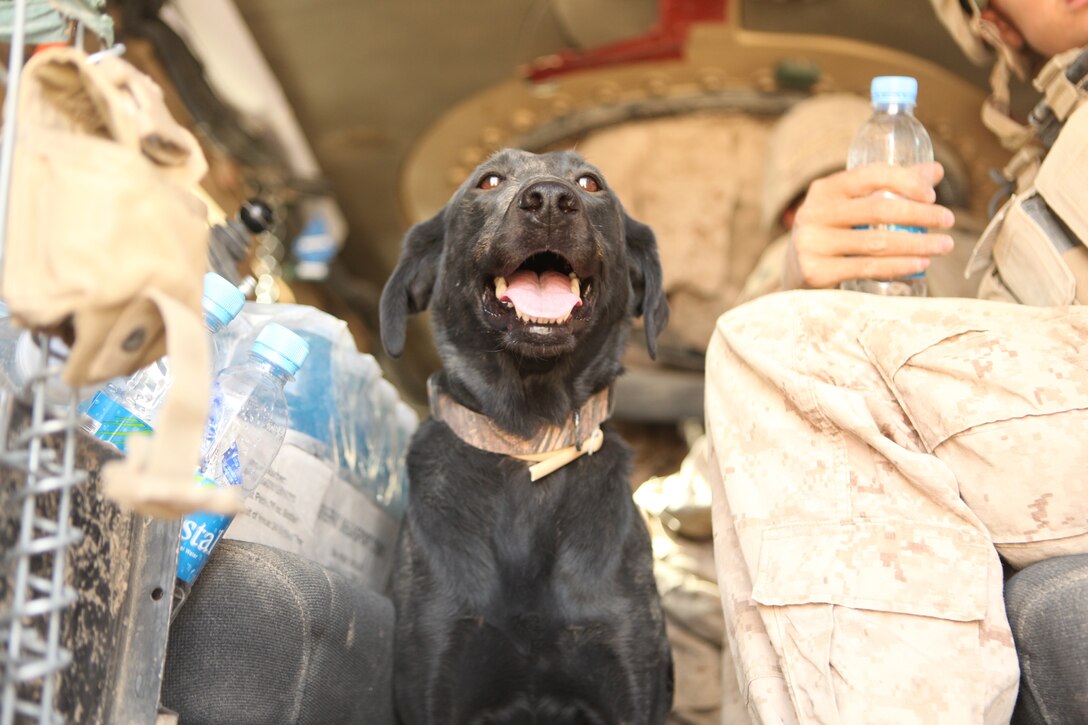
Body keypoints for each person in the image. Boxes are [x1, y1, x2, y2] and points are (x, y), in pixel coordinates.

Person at [704, 1, 1088, 723]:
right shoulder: (1045, 153)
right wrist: (803, 279)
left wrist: (799, 338)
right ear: (997, 25)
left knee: (766, 344)